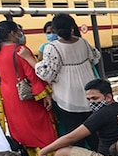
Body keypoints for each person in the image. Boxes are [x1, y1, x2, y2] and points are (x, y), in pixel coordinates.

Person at [0, 21, 56, 156]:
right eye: (19, 31)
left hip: (8, 97)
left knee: (20, 128)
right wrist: (44, 94)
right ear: (12, 33)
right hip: (26, 96)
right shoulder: (20, 50)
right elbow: (31, 74)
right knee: (41, 127)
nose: (21, 34)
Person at [35, 13, 101, 148]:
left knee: (75, 135)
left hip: (67, 97)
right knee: (93, 132)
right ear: (72, 27)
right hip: (88, 93)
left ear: (55, 29)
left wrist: (34, 62)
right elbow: (96, 57)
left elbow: (46, 74)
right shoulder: (83, 42)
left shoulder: (52, 48)